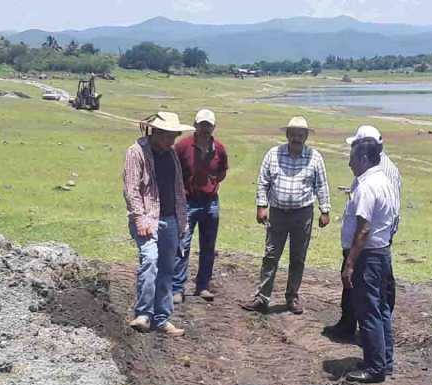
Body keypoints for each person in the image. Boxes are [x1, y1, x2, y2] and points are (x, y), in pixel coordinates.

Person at [242, 116, 331, 315]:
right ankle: (262, 297)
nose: (296, 138)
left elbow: (321, 185)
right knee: (271, 255)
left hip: (303, 214)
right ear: (287, 135)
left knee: (298, 257)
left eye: (300, 135)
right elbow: (263, 182)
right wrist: (261, 206)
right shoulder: (273, 154)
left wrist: (325, 210)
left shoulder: (314, 157)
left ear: (306, 136)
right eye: (293, 134)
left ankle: (292, 297)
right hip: (278, 213)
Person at [324, 126, 402, 340]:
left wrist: (384, 238)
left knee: (375, 299)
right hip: (368, 243)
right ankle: (350, 324)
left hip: (371, 245)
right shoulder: (370, 172)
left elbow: (383, 214)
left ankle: (374, 347)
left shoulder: (380, 174)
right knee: (358, 289)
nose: (350, 160)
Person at [123, 112, 194, 336]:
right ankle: (144, 314)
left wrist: (182, 221)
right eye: (168, 136)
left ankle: (162, 318)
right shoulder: (137, 153)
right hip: (148, 218)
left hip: (171, 218)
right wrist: (140, 218)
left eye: (174, 136)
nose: (172, 141)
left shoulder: (171, 154)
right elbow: (131, 189)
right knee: (150, 260)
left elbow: (177, 189)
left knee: (167, 268)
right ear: (157, 132)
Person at [341, 138, 397, 384]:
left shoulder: (367, 186)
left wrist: (350, 263)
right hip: (382, 252)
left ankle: (375, 368)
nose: (349, 162)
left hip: (368, 256)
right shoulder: (386, 182)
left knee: (368, 310)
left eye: (352, 158)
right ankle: (384, 360)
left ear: (364, 159)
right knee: (381, 308)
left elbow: (363, 228)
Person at [172, 109, 228, 304]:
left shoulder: (219, 149)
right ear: (195, 125)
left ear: (213, 127)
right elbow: (174, 170)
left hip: (211, 202)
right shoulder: (183, 146)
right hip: (188, 202)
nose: (205, 128)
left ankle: (203, 285)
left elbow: (221, 173)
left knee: (208, 247)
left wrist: (210, 186)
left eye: (208, 125)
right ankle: (177, 288)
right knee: (182, 245)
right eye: (202, 124)